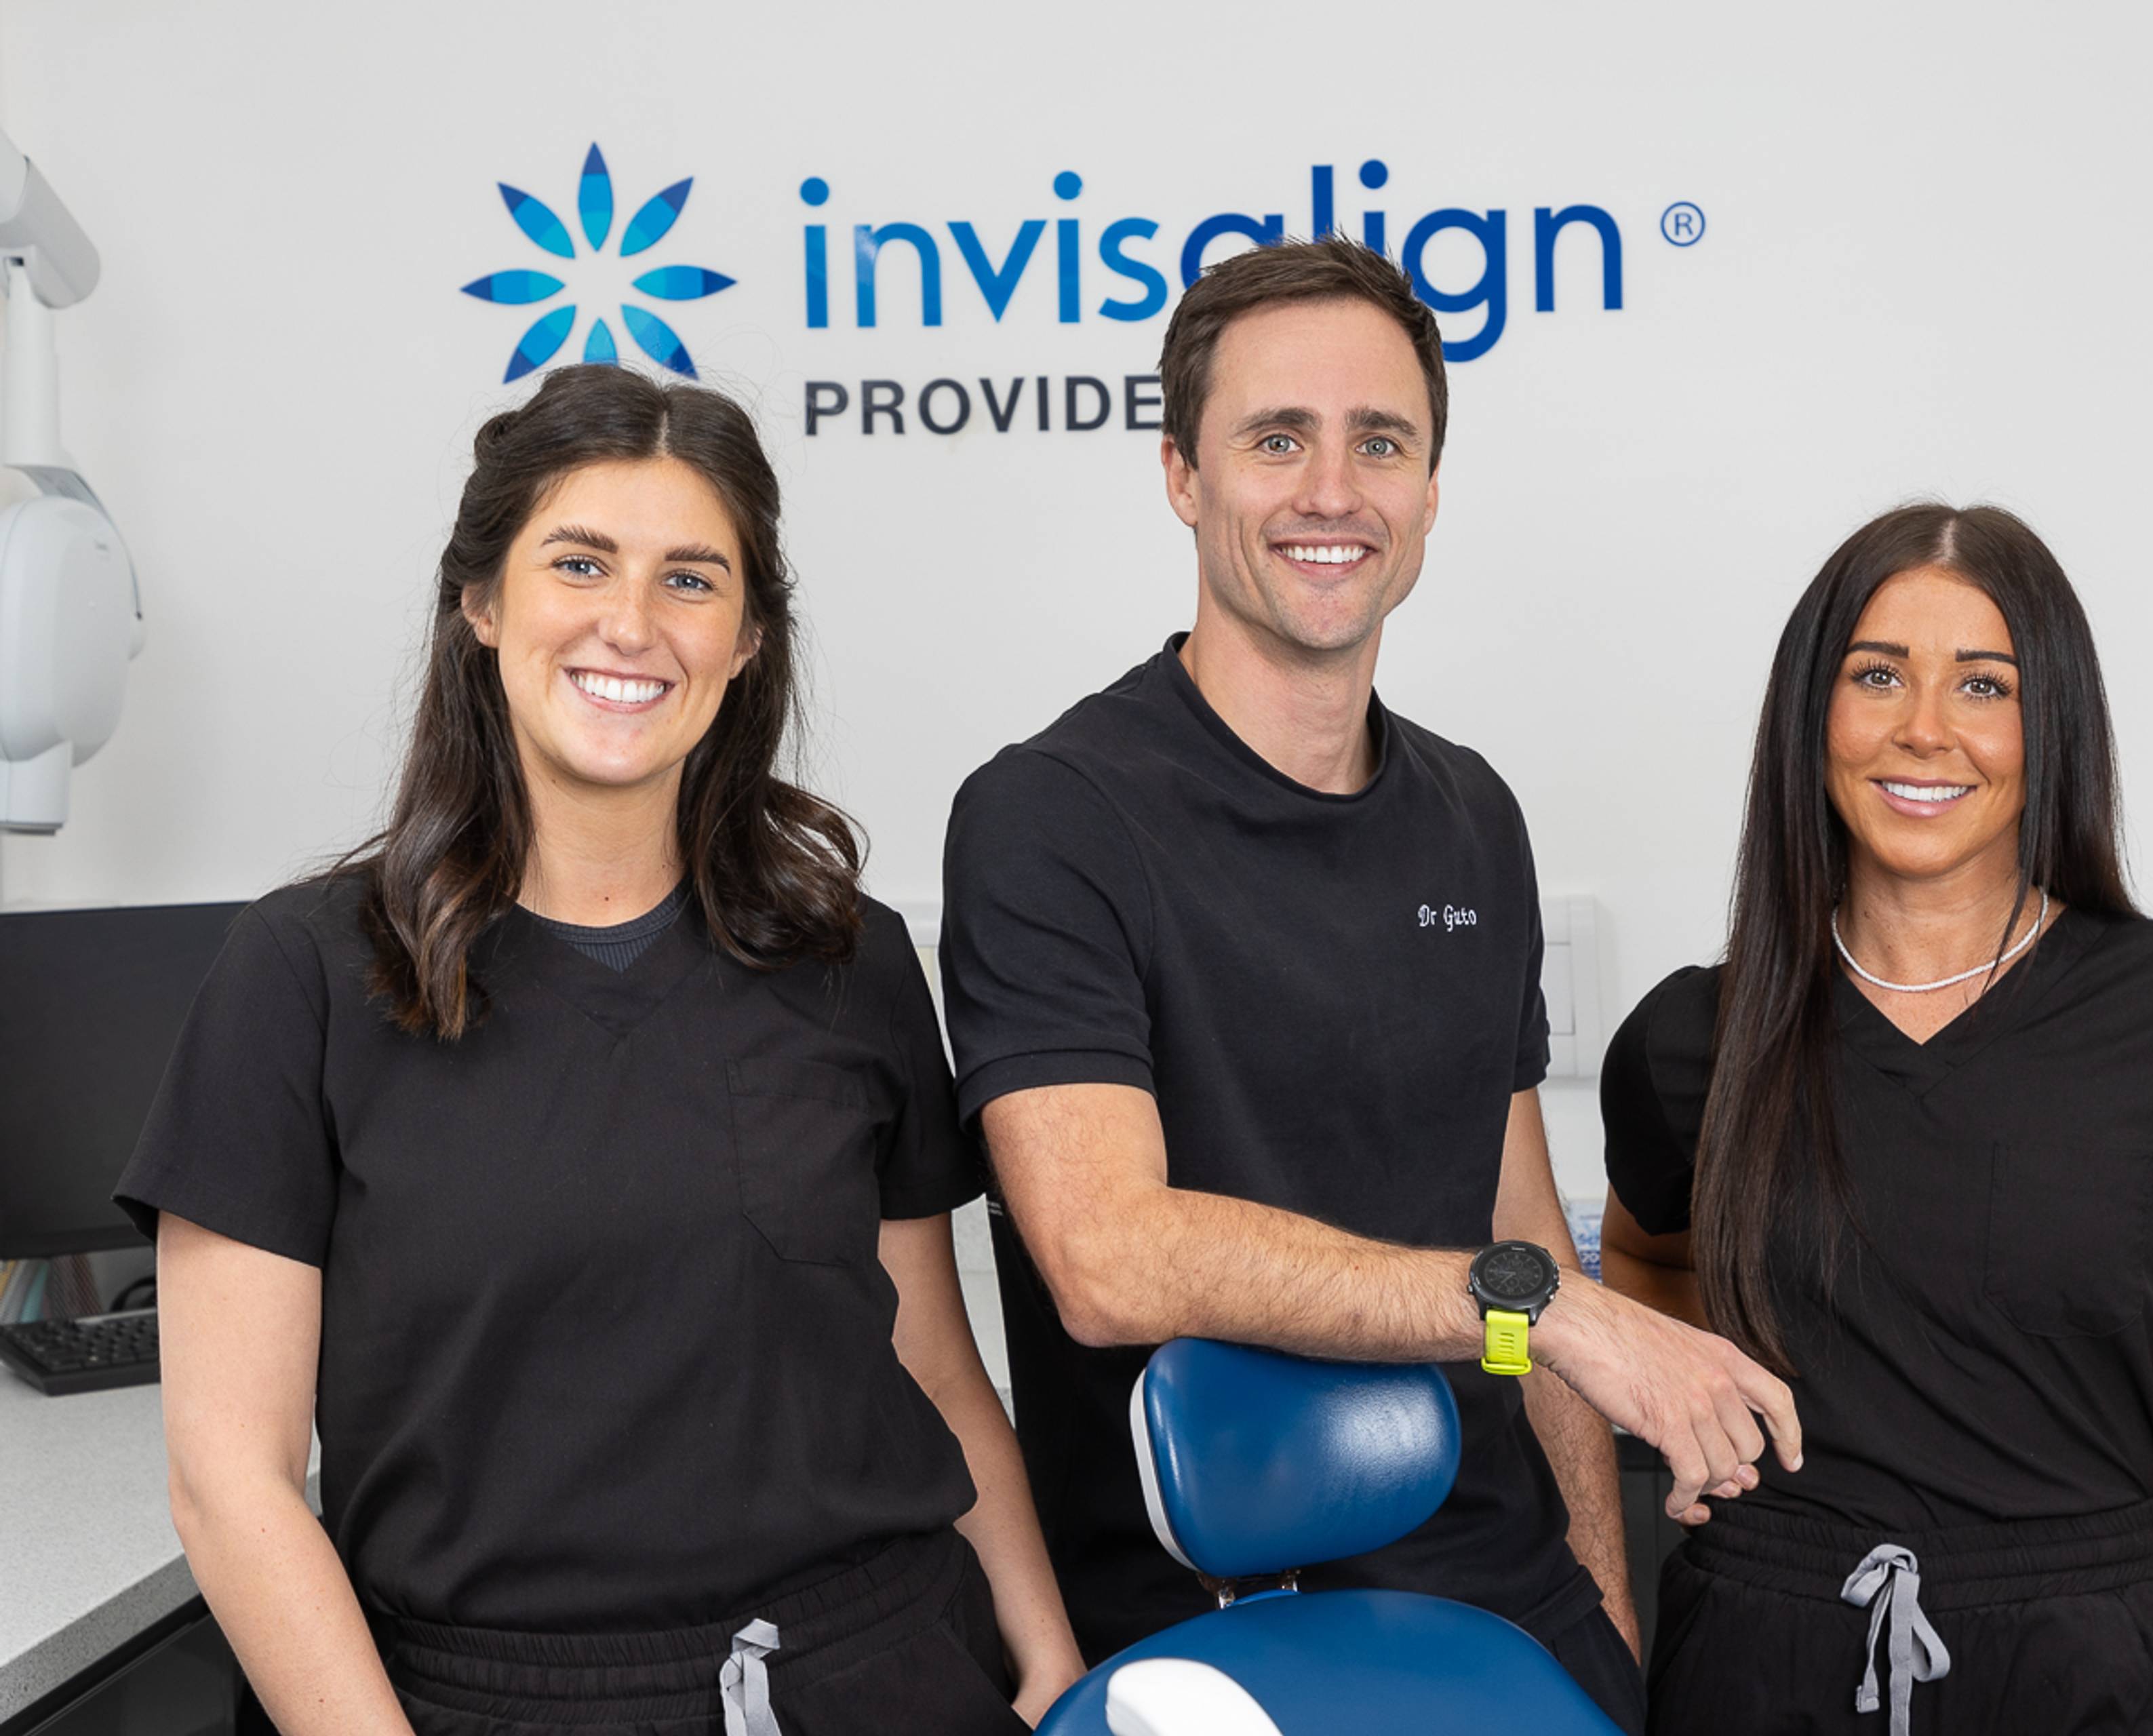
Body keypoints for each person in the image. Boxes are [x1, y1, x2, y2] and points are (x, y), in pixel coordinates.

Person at [117, 365, 1084, 1735]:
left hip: (884, 1671)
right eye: (580, 562)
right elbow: (232, 1474)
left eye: (693, 579)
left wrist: (1044, 1646)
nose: (632, 624)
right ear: (482, 601)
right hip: (487, 1703)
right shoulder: (304, 976)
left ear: (750, 636)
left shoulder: (848, 956)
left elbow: (927, 1361)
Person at [939, 235, 1800, 1735]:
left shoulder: (1474, 814)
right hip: (1206, 1648)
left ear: (1430, 493)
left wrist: (1593, 1599)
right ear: (1181, 475)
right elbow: (1107, 1257)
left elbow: (1520, 1226)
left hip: (1506, 1617)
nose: (1332, 491)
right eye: (1277, 439)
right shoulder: (1053, 817)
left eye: (1379, 442)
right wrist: (1549, 1316)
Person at [1602, 502, 2153, 1735]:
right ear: (1813, 713)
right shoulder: (1696, 1037)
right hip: (1757, 1658)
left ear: (2049, 722)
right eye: (1878, 674)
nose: (1925, 730)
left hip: (2077, 1667)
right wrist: (1696, 1394)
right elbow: (1638, 1260)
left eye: (1985, 685)